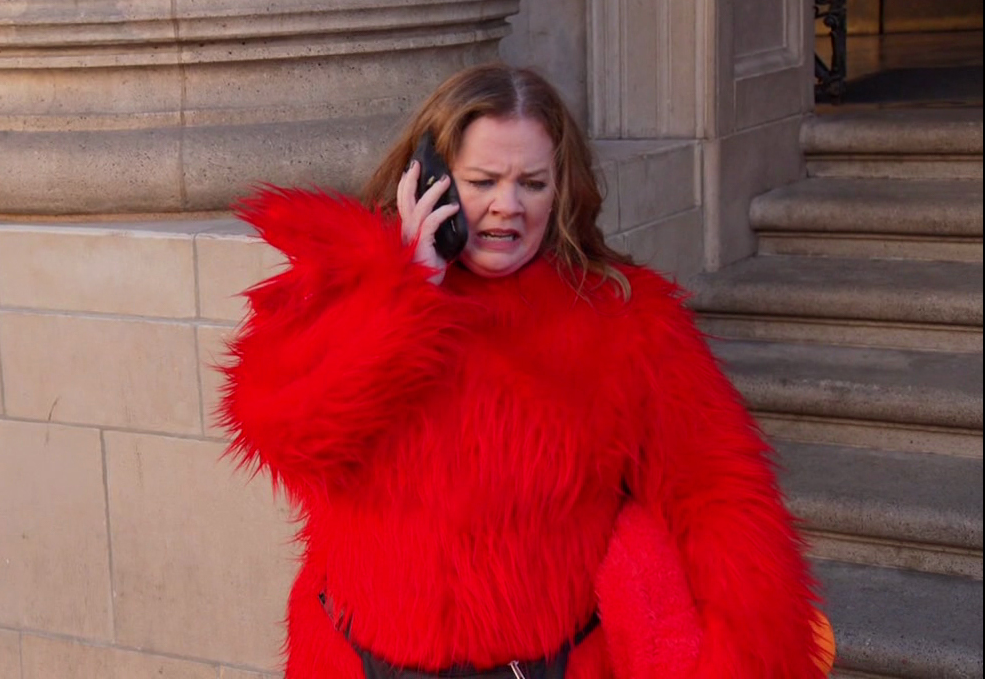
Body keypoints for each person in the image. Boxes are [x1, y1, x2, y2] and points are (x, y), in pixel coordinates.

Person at [218, 64, 829, 679]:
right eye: (482, 180)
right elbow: (285, 433)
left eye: (532, 184)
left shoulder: (625, 318)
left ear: (563, 190)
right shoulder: (347, 287)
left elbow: (722, 503)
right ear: (429, 180)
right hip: (355, 659)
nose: (506, 207)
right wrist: (404, 294)